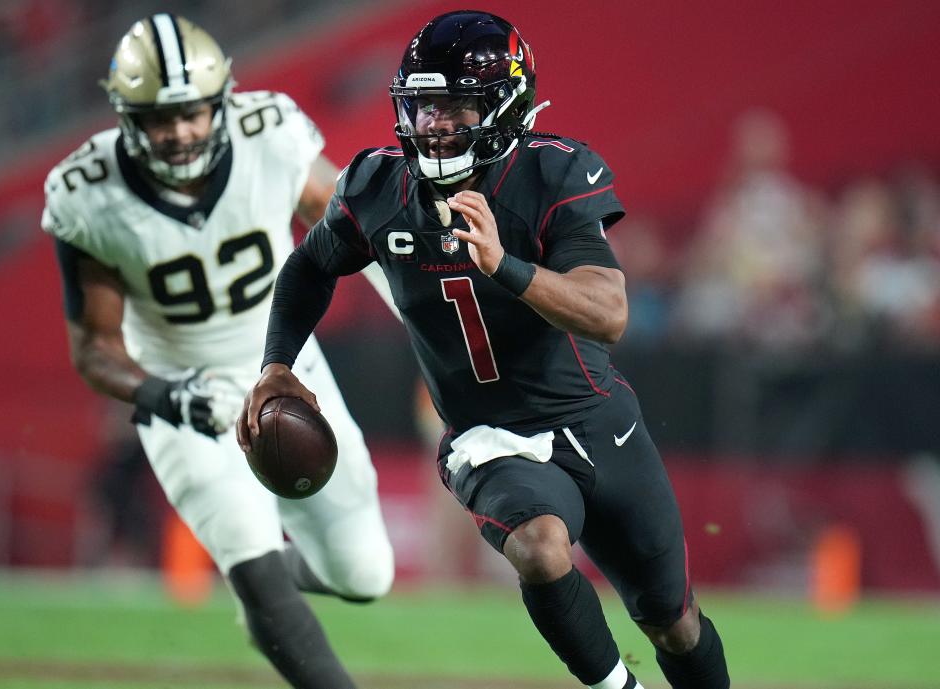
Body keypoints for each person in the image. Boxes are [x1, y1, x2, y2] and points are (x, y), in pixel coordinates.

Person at [239, 10, 729, 689]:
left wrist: (506, 266)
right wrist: (276, 364)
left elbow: (608, 313)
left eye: (455, 107)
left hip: (596, 420)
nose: (434, 124)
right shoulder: (377, 187)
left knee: (674, 620)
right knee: (539, 545)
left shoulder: (554, 173)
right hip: (488, 435)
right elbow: (308, 266)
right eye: (422, 107)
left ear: (503, 105)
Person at [41, 14, 394, 689]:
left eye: (192, 113)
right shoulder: (88, 193)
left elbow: (354, 227)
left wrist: (413, 309)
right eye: (157, 118)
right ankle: (262, 593)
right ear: (123, 117)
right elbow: (94, 347)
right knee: (254, 565)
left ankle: (269, 598)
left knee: (365, 573)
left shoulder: (271, 137)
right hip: (185, 392)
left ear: (223, 101)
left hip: (286, 368)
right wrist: (161, 395)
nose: (177, 132)